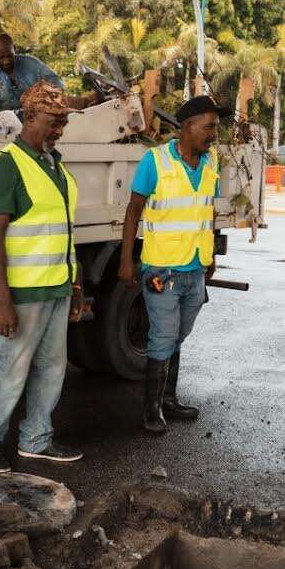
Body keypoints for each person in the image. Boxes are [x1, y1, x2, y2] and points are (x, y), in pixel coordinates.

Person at [0, 81, 86, 474]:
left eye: (63, 123)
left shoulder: (56, 166)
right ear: (29, 117)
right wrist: (3, 301)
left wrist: (76, 283)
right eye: (54, 122)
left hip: (56, 286)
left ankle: (36, 439)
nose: (58, 130)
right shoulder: (5, 165)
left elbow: (65, 231)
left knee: (53, 367)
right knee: (11, 368)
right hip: (21, 293)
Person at [117, 95, 229, 433]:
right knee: (164, 335)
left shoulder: (212, 163)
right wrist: (126, 260)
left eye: (216, 127)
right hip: (161, 269)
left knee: (178, 336)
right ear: (188, 126)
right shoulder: (155, 161)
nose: (213, 133)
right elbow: (133, 210)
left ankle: (168, 399)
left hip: (195, 267)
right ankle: (152, 410)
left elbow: (207, 208)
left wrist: (210, 255)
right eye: (209, 126)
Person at [0, 34, 96, 116]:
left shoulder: (30, 63)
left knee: (63, 101)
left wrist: (41, 93)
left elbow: (57, 83)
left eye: (9, 56)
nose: (6, 61)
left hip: (38, 113)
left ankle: (92, 102)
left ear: (15, 49)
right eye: (1, 57)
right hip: (9, 123)